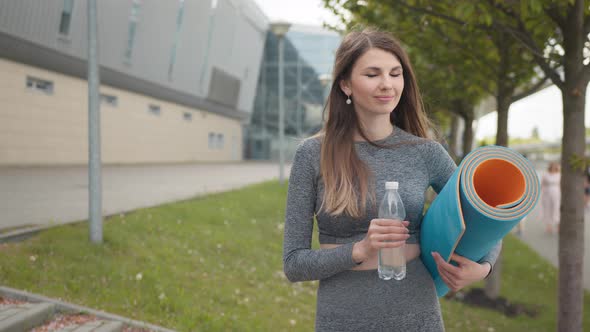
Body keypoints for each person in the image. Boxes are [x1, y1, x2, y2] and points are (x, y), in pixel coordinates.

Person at [283, 28, 501, 332]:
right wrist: (359, 250)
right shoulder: (312, 154)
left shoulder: (425, 152)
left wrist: (484, 268)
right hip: (343, 317)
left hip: (416, 313)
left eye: (395, 74)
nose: (387, 84)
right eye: (372, 74)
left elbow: (487, 218)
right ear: (345, 84)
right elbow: (293, 264)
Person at [541, 161, 561, 234]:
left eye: (555, 166)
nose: (553, 167)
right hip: (547, 193)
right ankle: (549, 226)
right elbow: (542, 184)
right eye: (552, 166)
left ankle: (558, 225)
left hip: (556, 192)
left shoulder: (559, 174)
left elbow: (561, 185)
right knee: (547, 209)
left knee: (556, 209)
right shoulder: (546, 174)